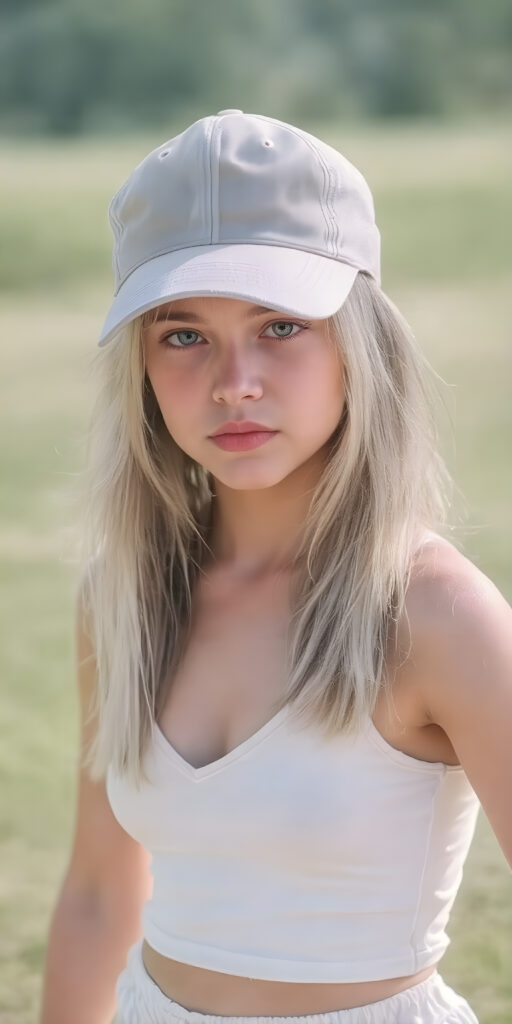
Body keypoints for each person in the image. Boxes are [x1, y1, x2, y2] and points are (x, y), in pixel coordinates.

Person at [39, 110, 512, 1024]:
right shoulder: (123, 596)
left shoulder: (433, 613)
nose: (234, 382)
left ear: (360, 346)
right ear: (139, 364)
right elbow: (100, 895)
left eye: (282, 325)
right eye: (183, 334)